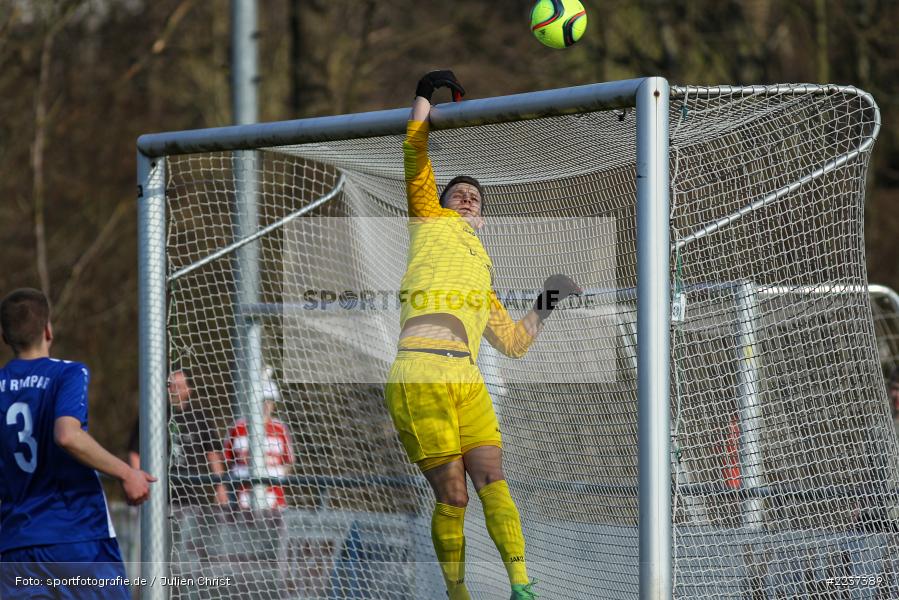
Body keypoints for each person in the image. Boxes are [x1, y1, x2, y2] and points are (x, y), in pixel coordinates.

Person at [384, 71, 580, 600]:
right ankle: (458, 594)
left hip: (466, 379)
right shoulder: (430, 221)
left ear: (484, 219)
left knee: (492, 477)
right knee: (454, 496)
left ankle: (522, 585)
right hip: (420, 372)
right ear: (442, 205)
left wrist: (548, 299)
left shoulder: (484, 275)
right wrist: (423, 92)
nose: (467, 197)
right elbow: (415, 155)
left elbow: (514, 343)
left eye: (474, 196)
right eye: (458, 193)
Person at [0, 288, 156, 599]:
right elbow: (67, 435)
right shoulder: (67, 373)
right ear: (48, 330)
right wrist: (127, 473)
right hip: (77, 536)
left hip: (15, 547)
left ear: (5, 337)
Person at [223, 366, 295, 510]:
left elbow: (289, 462)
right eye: (262, 401)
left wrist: (274, 476)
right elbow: (226, 461)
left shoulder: (280, 429)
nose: (266, 406)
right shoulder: (238, 427)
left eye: (269, 401)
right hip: (242, 499)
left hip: (275, 501)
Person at [165, 368, 229, 506]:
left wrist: (221, 488)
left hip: (192, 494)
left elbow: (213, 454)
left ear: (189, 390)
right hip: (160, 493)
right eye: (171, 386)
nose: (174, 390)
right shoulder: (154, 416)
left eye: (179, 386)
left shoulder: (199, 418)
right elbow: (136, 453)